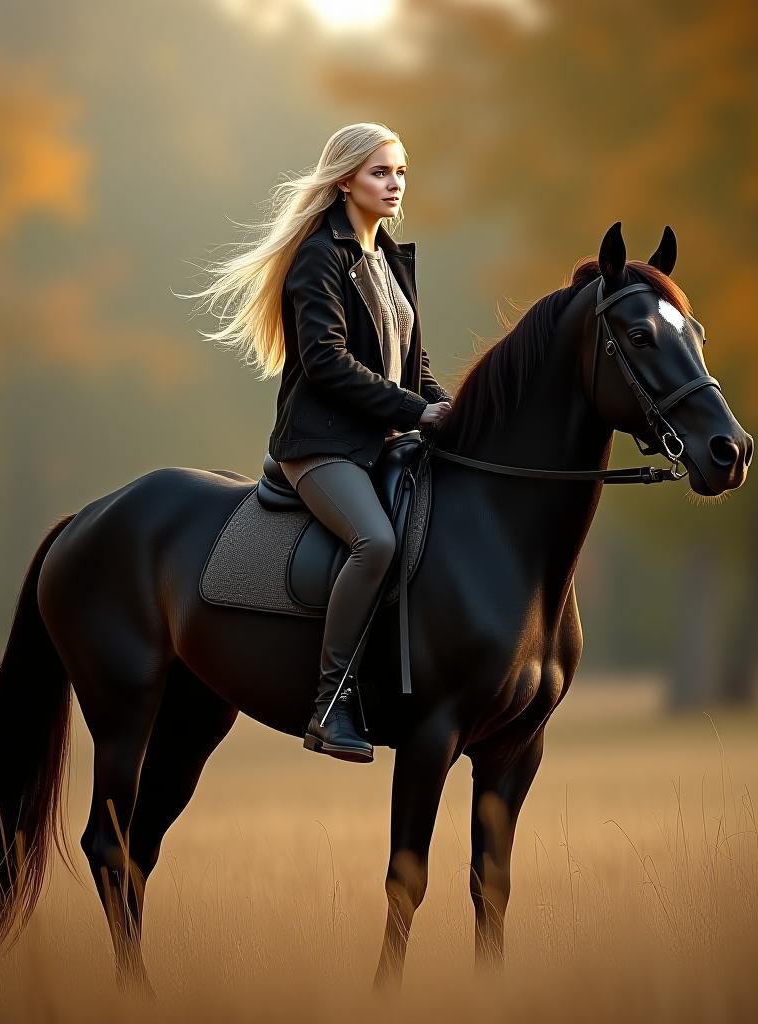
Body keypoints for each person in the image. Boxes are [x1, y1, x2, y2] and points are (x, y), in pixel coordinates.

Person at [177, 122, 452, 763]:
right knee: (376, 541)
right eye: (380, 171)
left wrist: (445, 409)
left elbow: (415, 363)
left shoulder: (389, 259)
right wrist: (416, 410)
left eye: (401, 172)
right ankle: (331, 704)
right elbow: (326, 362)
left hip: (385, 442)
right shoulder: (318, 258)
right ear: (345, 179)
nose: (394, 183)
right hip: (321, 447)